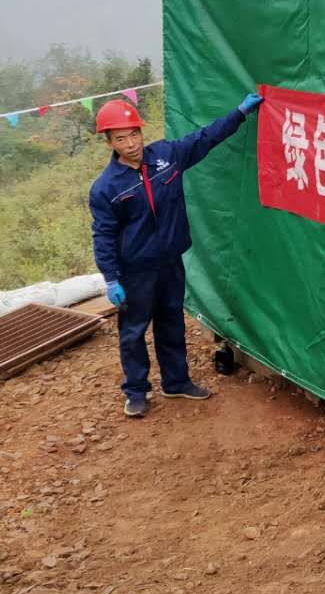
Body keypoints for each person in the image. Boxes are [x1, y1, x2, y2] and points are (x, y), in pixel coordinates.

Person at [89, 92, 263, 418]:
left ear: (142, 131)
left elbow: (205, 138)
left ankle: (176, 381)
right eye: (121, 139)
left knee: (171, 323)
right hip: (136, 272)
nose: (131, 144)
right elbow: (103, 236)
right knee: (133, 332)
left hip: (170, 262)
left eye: (134, 134)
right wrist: (111, 278)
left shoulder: (166, 157)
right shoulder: (106, 188)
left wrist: (239, 112)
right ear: (109, 143)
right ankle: (136, 391)